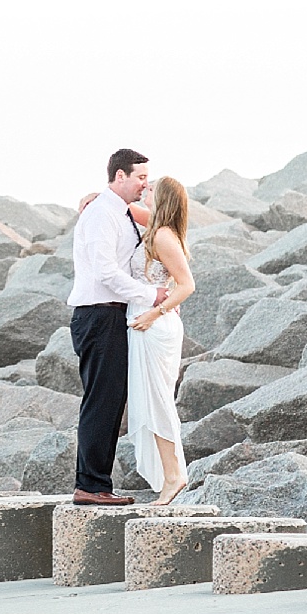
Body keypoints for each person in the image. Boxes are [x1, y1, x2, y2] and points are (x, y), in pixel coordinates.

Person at [66, 148, 161, 506]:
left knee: (110, 399)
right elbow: (106, 272)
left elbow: (157, 222)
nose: (144, 185)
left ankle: (96, 484)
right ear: (119, 176)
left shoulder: (116, 211)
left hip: (111, 316)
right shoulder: (101, 215)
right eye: (140, 178)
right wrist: (152, 295)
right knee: (101, 401)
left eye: (147, 180)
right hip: (98, 314)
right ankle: (90, 486)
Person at [123, 176, 195, 505]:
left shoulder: (164, 236)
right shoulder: (155, 226)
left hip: (156, 326)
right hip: (145, 325)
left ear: (161, 197)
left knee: (157, 401)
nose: (144, 191)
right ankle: (171, 474)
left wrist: (154, 313)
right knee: (149, 400)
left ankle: (174, 476)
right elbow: (127, 209)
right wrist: (97, 196)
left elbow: (186, 285)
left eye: (150, 189)